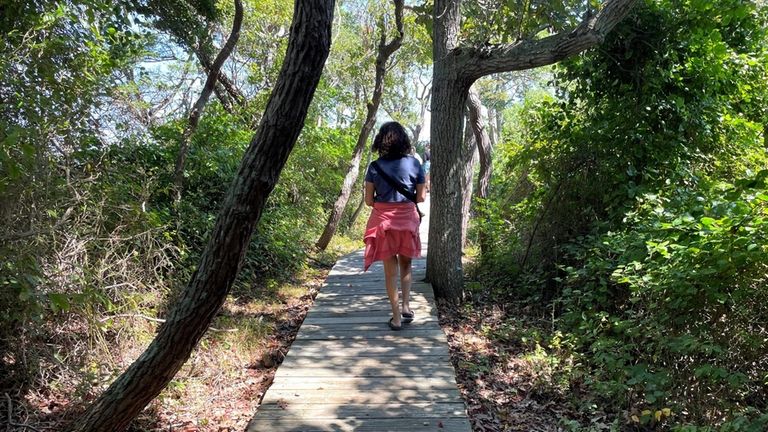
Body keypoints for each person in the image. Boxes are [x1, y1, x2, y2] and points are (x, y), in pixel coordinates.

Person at [363, 122, 426, 331]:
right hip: (407, 219)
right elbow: (421, 197)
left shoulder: (374, 167)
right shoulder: (415, 165)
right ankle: (407, 306)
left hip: (384, 222)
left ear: (381, 141)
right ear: (404, 140)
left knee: (390, 272)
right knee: (406, 265)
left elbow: (369, 201)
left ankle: (397, 318)